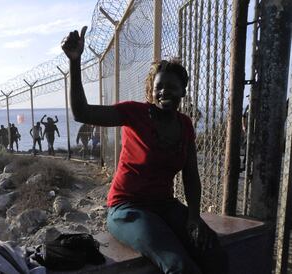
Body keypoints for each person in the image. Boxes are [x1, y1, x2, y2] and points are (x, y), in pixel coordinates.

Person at [61, 26, 227, 274]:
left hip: (165, 205)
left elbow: (191, 174)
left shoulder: (185, 125)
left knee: (213, 252)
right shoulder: (135, 114)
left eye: (172, 87)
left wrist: (194, 217)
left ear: (183, 91)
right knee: (178, 266)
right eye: (159, 87)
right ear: (151, 91)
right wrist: (75, 62)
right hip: (128, 208)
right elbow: (82, 112)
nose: (165, 92)